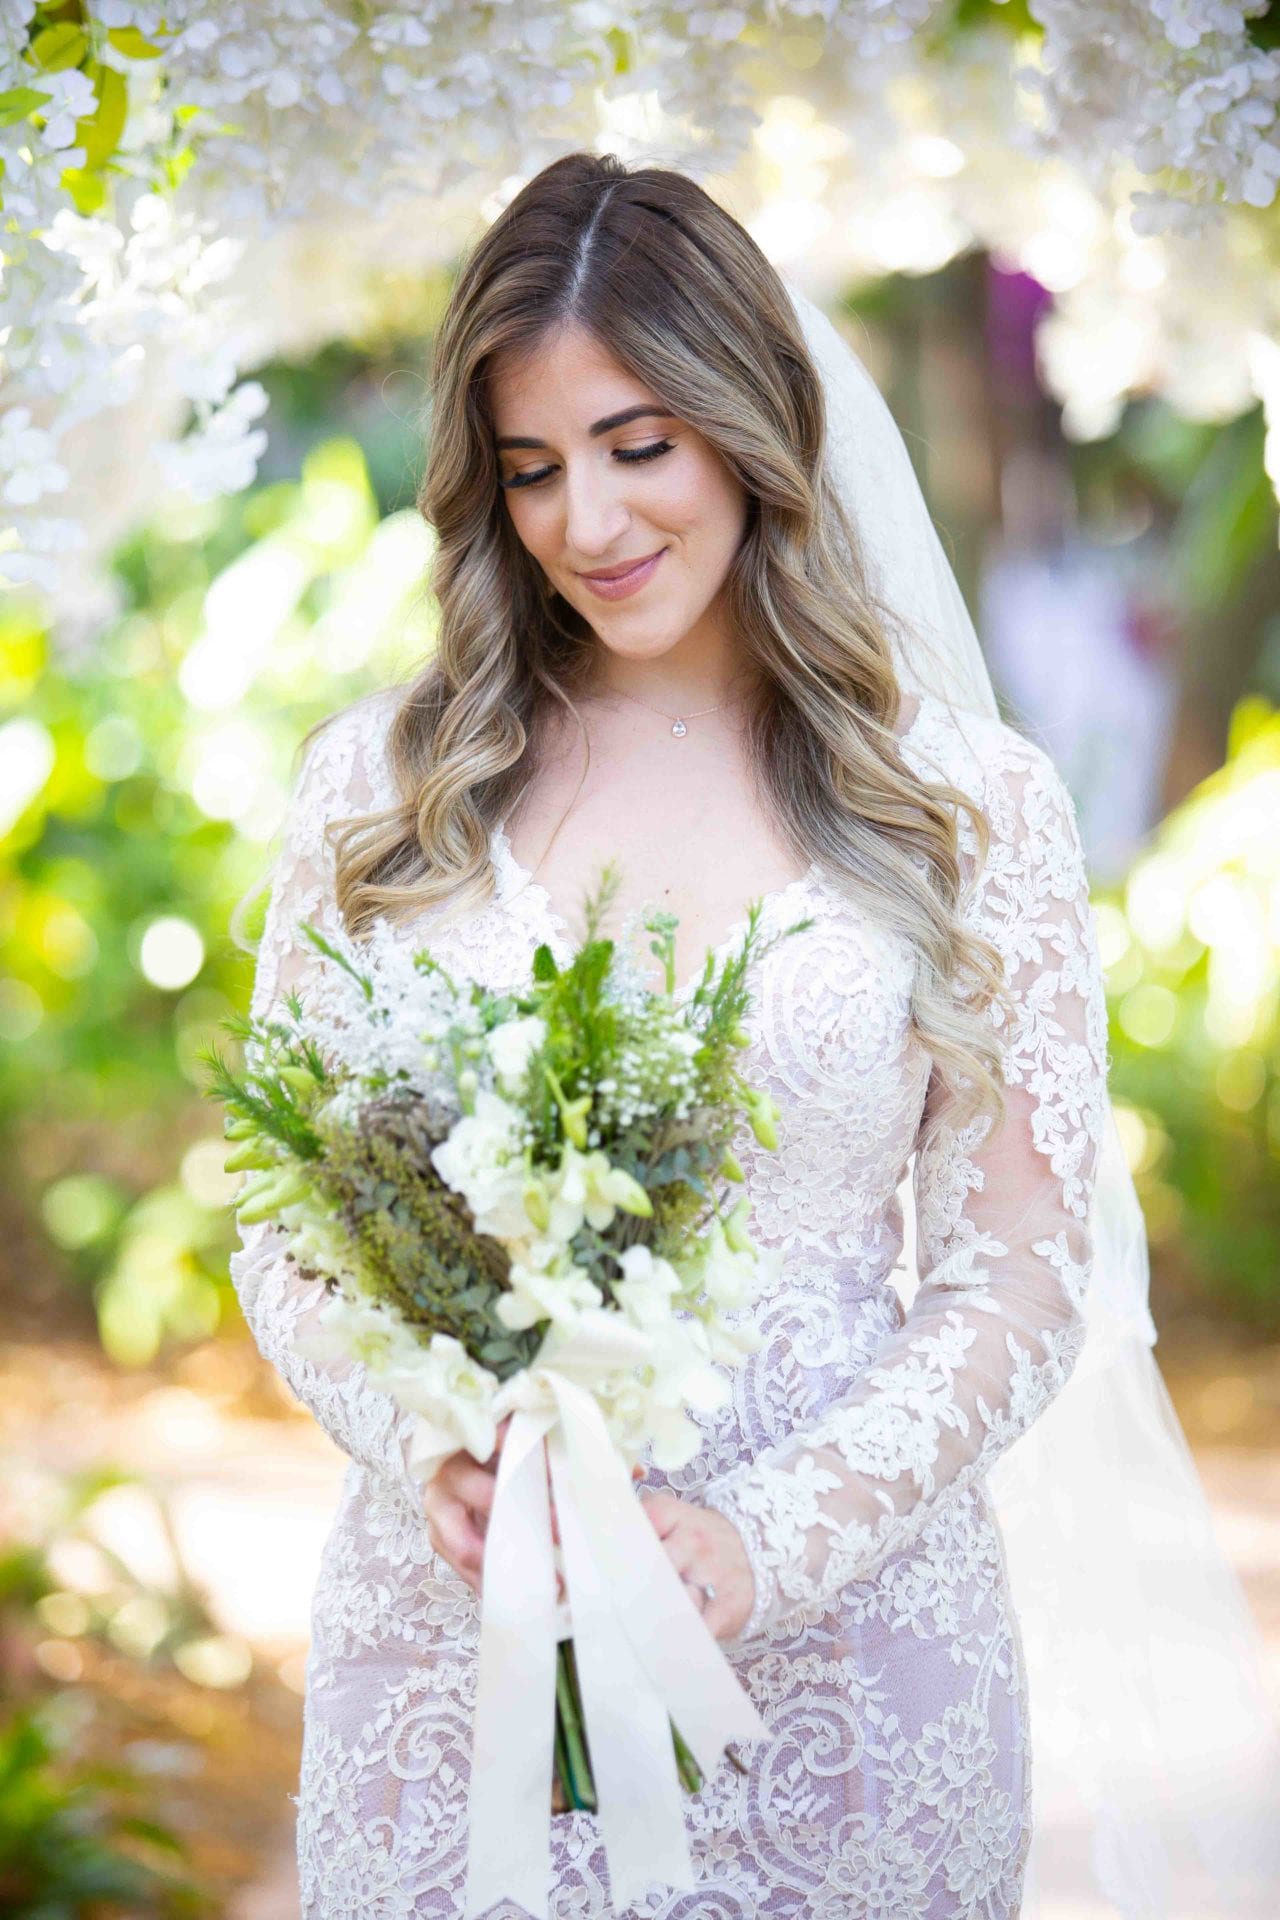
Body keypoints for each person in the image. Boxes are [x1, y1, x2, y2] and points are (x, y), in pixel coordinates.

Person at [229, 151, 1279, 1919]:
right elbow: (290, 1221)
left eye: (641, 445)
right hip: (460, 1649)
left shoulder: (962, 807)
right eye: (535, 468)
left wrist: (766, 1536)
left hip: (851, 1659)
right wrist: (433, 1444)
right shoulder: (383, 790)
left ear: (754, 427)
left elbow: (1025, 1270)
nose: (589, 523)